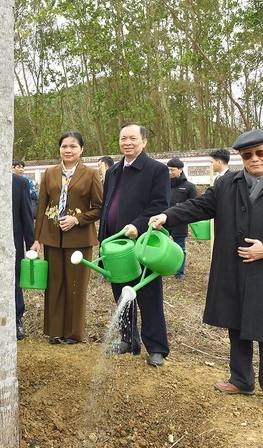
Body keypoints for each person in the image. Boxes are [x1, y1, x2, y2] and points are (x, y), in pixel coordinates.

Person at [149, 130, 263, 413]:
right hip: (234, 267)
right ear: (241, 157)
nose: (254, 159)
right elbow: (200, 205)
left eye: (260, 153)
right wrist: (168, 215)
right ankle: (241, 379)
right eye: (247, 155)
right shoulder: (229, 184)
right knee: (237, 323)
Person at [98, 123, 170, 367]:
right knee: (121, 294)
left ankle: (157, 347)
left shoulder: (156, 170)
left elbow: (159, 204)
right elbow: (107, 205)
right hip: (116, 244)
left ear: (144, 142)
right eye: (123, 139)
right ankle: (129, 340)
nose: (127, 143)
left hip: (143, 242)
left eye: (133, 138)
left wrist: (138, 226)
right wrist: (103, 239)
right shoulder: (113, 171)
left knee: (149, 294)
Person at [34, 131, 103, 344]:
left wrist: (77, 220)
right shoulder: (50, 173)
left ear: (81, 149)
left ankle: (73, 332)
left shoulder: (90, 174)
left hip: (80, 239)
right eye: (64, 146)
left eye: (73, 146)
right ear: (59, 149)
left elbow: (100, 208)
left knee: (76, 285)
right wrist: (37, 239)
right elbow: (42, 207)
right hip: (53, 238)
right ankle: (54, 330)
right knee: (54, 284)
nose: (68, 150)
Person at [12, 172, 38, 340]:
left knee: (15, 280)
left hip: (13, 242)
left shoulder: (20, 183)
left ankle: (16, 321)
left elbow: (27, 217)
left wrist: (31, 242)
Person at [166, 158, 198, 280]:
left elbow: (195, 204)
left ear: (180, 170)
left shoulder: (189, 187)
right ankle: (162, 269)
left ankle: (179, 273)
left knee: (180, 248)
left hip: (180, 222)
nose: (169, 172)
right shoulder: (163, 185)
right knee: (162, 247)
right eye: (168, 170)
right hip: (163, 221)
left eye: (172, 170)